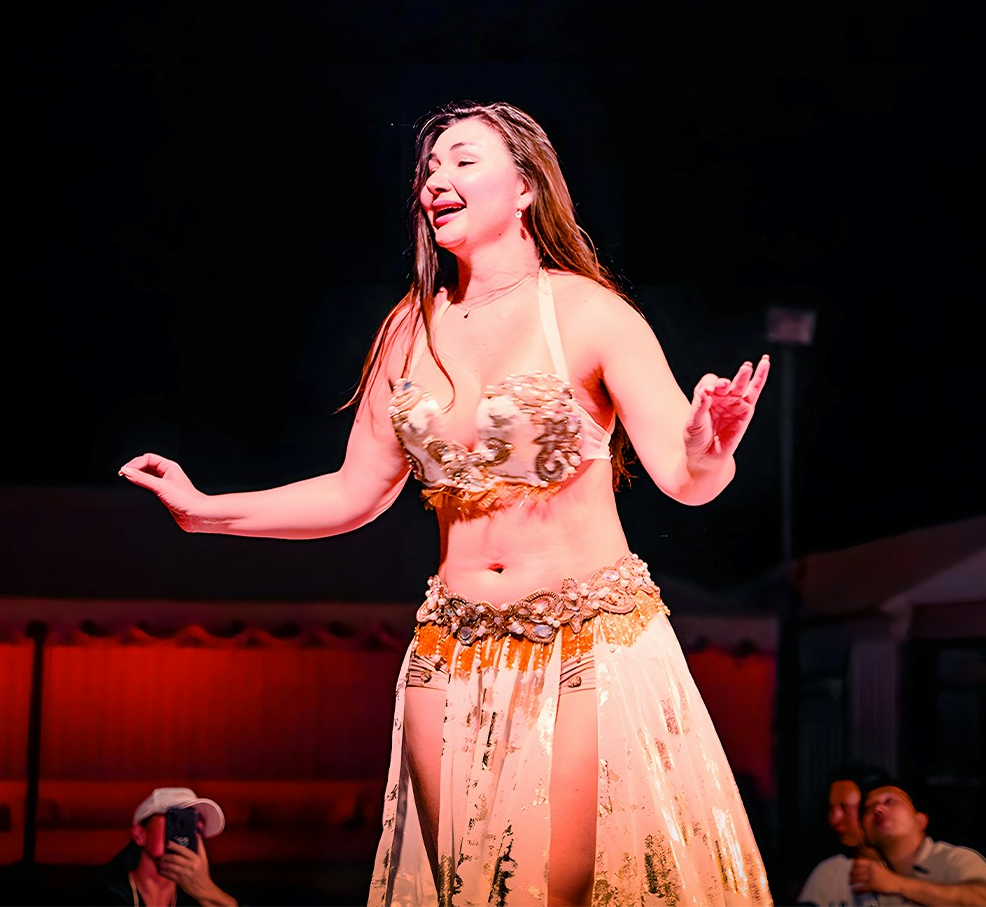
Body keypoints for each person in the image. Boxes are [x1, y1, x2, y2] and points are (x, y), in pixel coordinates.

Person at [119, 99, 773, 906]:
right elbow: (354, 492)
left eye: (463, 160)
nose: (437, 179)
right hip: (450, 651)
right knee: (462, 889)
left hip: (584, 641)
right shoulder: (408, 330)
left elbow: (686, 478)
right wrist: (205, 509)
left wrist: (713, 446)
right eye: (429, 167)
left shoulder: (588, 312)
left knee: (561, 893)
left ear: (527, 187)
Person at [842, 780, 986, 906]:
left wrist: (895, 883)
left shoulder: (954, 858)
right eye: (868, 808)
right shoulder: (868, 875)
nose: (877, 808)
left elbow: (983, 901)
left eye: (890, 801)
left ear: (920, 820)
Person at [82, 786, 238, 906]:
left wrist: (207, 890)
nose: (188, 833)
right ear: (140, 835)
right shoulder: (107, 893)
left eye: (195, 824)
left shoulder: (195, 897)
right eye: (176, 820)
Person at [797, 763, 890, 905]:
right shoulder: (830, 873)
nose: (834, 819)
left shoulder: (915, 871)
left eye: (845, 808)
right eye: (831, 808)